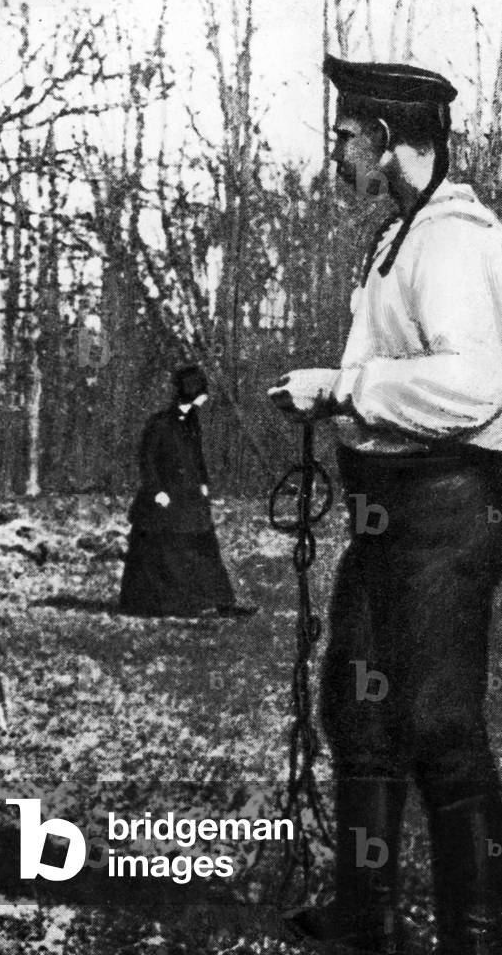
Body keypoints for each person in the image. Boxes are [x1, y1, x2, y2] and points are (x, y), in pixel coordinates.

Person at [268, 55, 502, 954]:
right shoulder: (399, 233)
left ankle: (474, 935)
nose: (335, 154)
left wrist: (340, 387)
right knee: (359, 714)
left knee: (438, 725)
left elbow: (472, 386)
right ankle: (366, 919)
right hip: (386, 510)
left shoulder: (452, 239)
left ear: (392, 142)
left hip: (446, 506)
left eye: (344, 138)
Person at [119, 364, 253, 619]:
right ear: (191, 392)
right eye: (202, 391)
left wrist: (203, 482)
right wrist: (157, 490)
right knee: (162, 553)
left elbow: (196, 456)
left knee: (205, 548)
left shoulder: (192, 421)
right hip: (165, 501)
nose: (206, 397)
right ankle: (161, 604)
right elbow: (147, 460)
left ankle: (223, 603)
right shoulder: (159, 423)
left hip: (191, 498)